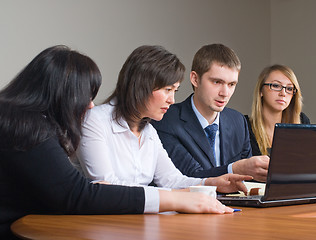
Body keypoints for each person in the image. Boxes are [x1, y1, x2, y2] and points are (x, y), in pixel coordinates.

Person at [0, 46, 240, 239]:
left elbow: (172, 180)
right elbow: (77, 194)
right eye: (85, 96)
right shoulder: (28, 128)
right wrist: (176, 198)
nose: (90, 105)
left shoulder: (23, 122)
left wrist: (209, 184)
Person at [74, 45, 252, 195]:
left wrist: (213, 183)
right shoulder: (95, 121)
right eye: (167, 90)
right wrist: (170, 197)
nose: (172, 100)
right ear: (142, 86)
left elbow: (172, 179)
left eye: (174, 91)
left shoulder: (149, 131)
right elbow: (106, 186)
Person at [151, 43, 269, 182]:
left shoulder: (238, 121)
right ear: (195, 79)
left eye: (231, 84)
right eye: (217, 82)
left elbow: (249, 178)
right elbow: (188, 177)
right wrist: (235, 169)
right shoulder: (166, 120)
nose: (225, 93)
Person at [246, 64, 316, 194]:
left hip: (293, 197)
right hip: (256, 201)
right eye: (276, 86)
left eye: (289, 89)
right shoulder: (244, 126)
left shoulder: (302, 122)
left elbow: (309, 168)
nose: (283, 93)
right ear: (261, 91)